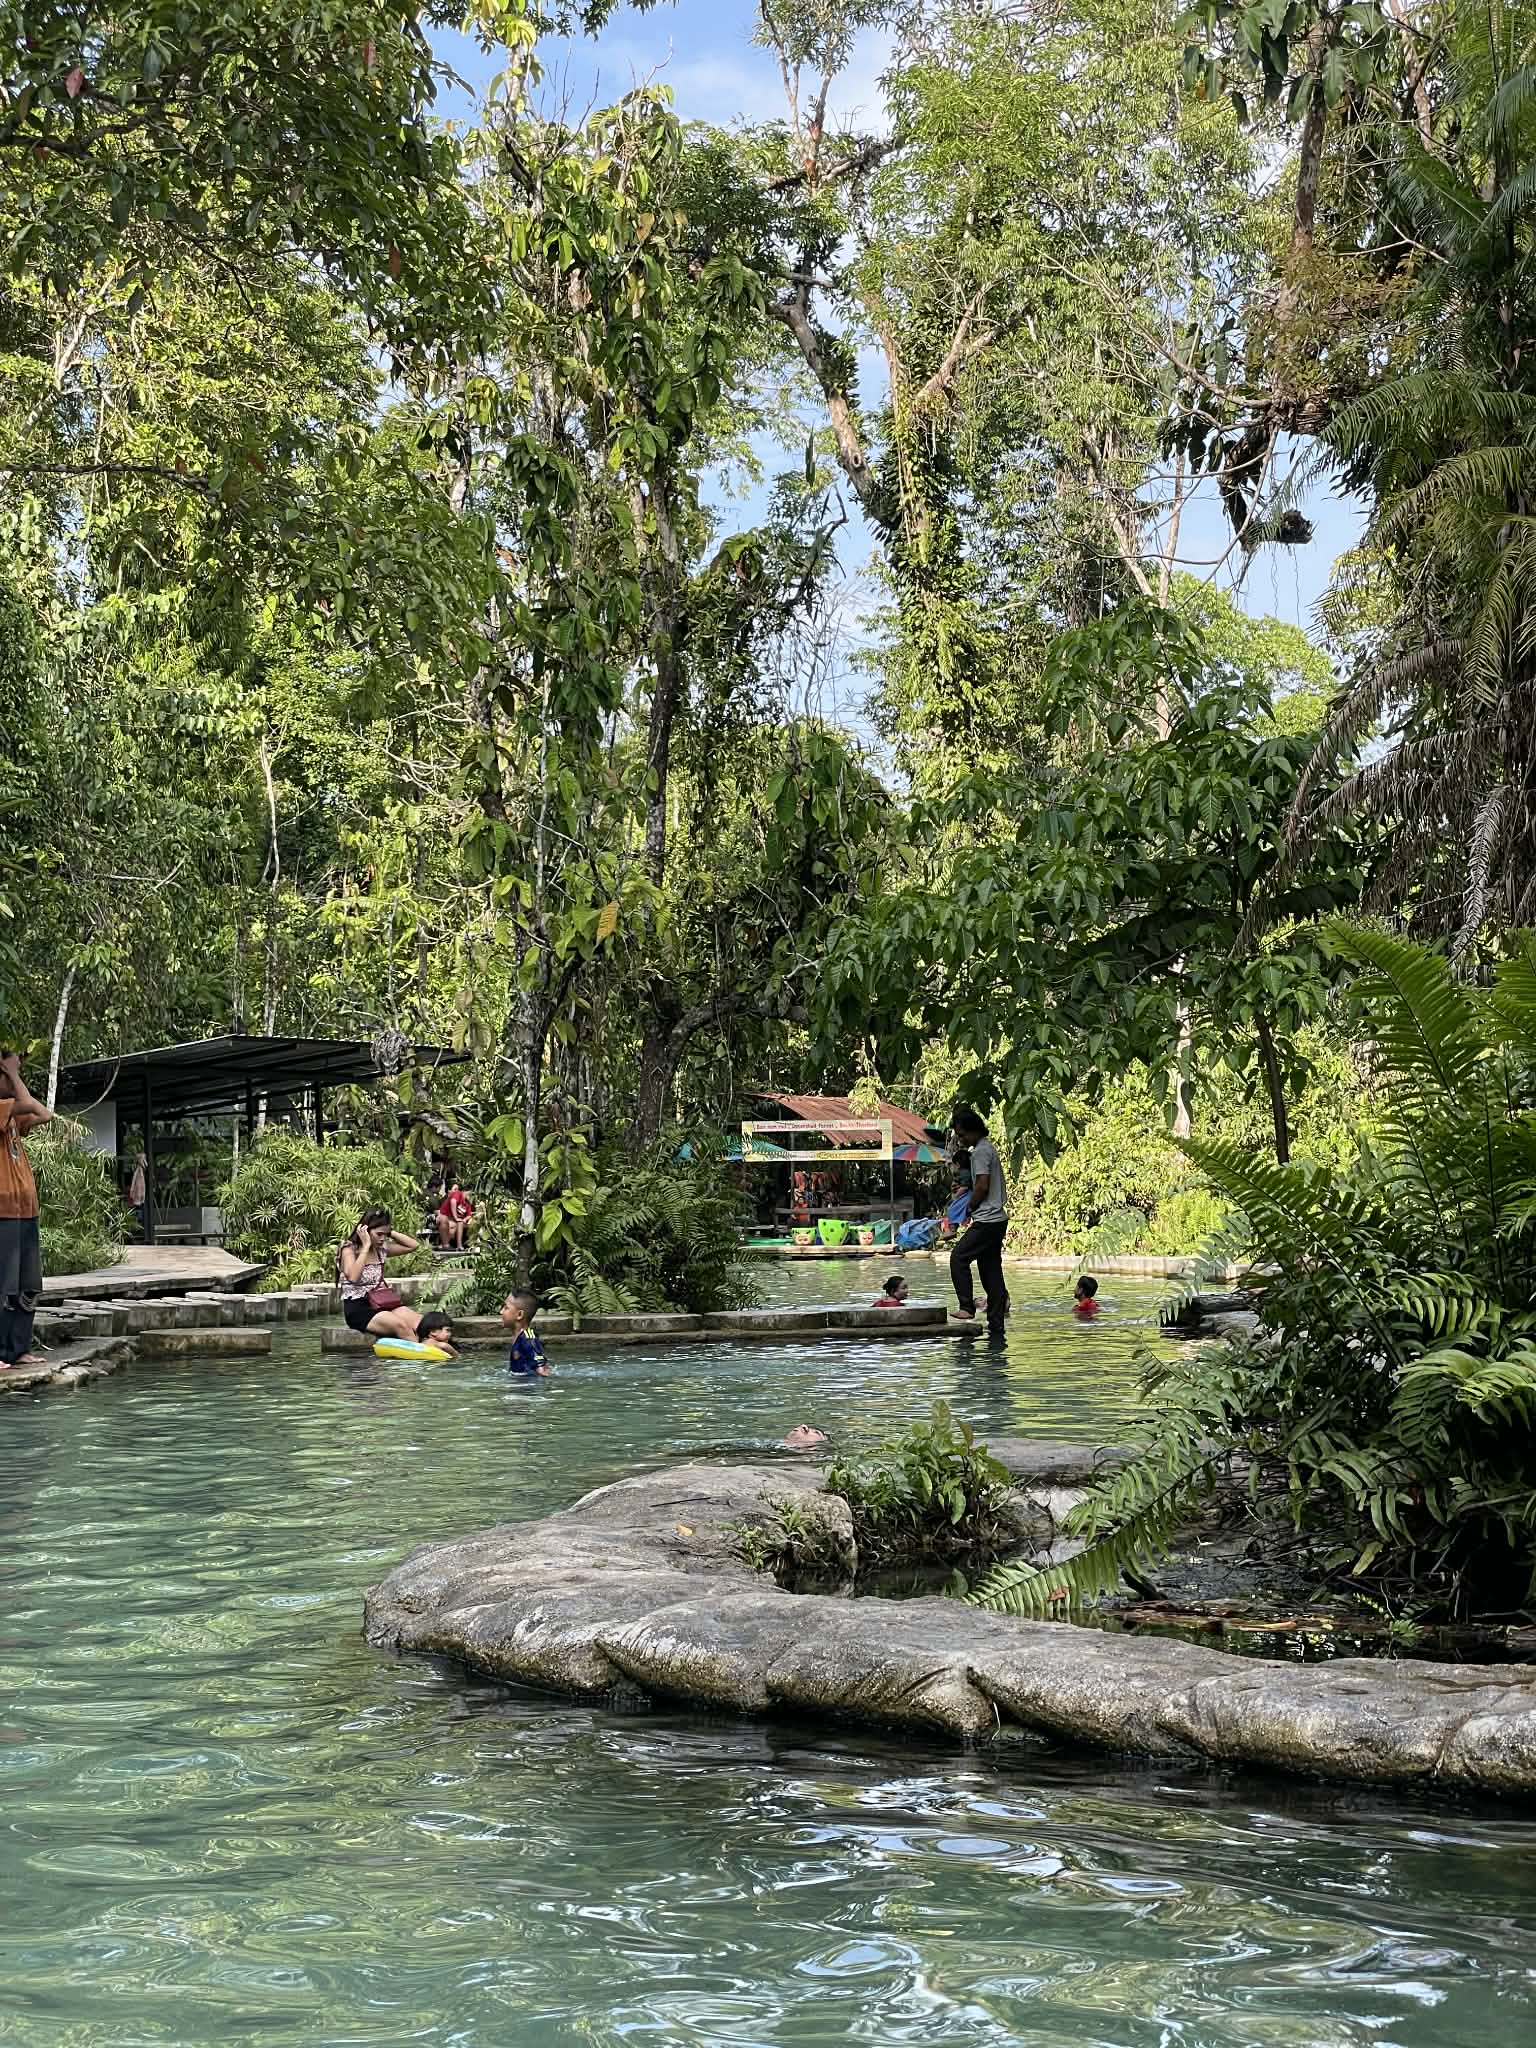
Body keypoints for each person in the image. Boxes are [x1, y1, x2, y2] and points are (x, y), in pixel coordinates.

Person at [0, 1053, 53, 1369]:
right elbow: (28, 1103)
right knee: (3, 1286)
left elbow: (43, 1113)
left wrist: (12, 1074)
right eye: (6, 1075)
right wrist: (13, 1073)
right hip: (3, 1212)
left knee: (27, 1284)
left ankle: (18, 1349)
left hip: (25, 1211)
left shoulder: (12, 1117)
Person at [948, 1107, 1010, 1331]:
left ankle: (967, 1306)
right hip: (996, 1220)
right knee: (990, 1269)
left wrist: (968, 1207)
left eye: (963, 1134)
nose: (961, 1139)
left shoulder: (981, 1152)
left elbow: (983, 1185)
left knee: (958, 1258)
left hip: (987, 1219)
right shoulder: (985, 1149)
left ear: (974, 1130)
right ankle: (996, 1324)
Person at [337, 1209, 428, 1342]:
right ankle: (423, 1359)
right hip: (359, 1308)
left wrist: (390, 1231)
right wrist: (366, 1246)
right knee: (401, 1326)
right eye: (379, 1234)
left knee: (423, 1324)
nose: (382, 1238)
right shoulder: (349, 1249)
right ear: (365, 1231)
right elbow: (353, 1277)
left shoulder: (381, 1250)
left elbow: (413, 1246)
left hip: (382, 1302)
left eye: (385, 1235)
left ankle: (435, 1351)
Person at [500, 1290, 551, 1376]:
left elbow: (543, 1370)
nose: (501, 1312)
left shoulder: (528, 1338)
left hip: (528, 1387)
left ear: (519, 1315)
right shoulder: (522, 1337)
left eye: (506, 1308)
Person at [435, 1180, 473, 1253]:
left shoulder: (467, 1203)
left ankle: (459, 1246)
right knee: (452, 1225)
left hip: (455, 1221)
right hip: (445, 1217)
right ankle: (444, 1245)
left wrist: (465, 1219)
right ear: (466, 1191)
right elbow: (453, 1201)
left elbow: (469, 1215)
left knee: (459, 1223)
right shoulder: (457, 1194)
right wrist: (456, 1217)